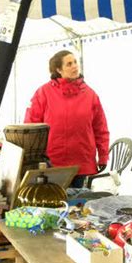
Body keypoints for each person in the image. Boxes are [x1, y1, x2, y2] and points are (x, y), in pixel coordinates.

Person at [25, 50, 110, 188]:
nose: (75, 66)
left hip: (82, 160)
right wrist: (30, 157)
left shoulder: (90, 95)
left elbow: (100, 128)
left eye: (75, 62)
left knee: (76, 204)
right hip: (52, 161)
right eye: (69, 64)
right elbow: (31, 126)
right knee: (54, 203)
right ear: (58, 70)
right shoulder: (43, 93)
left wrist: (103, 155)